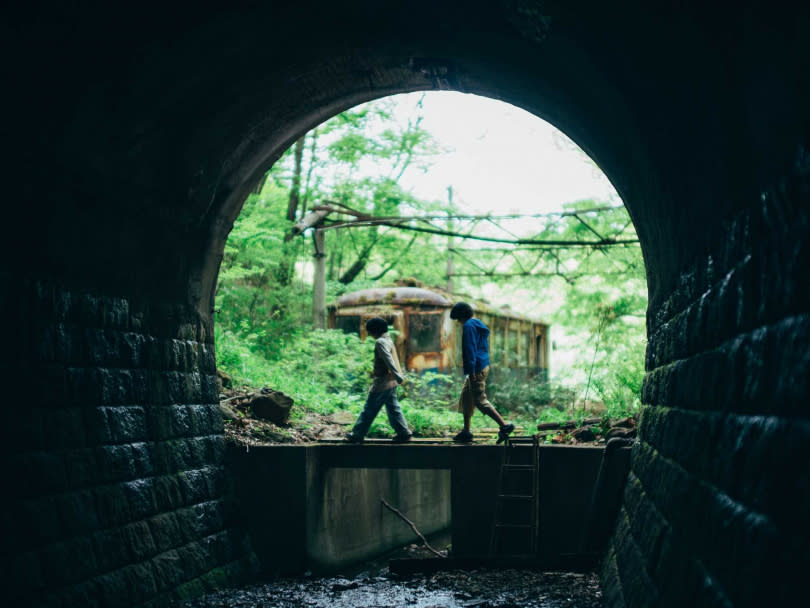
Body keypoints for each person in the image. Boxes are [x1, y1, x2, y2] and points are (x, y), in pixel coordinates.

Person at [450, 302, 515, 444]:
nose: (458, 322)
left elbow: (469, 349)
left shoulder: (468, 326)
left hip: (477, 368)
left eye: (457, 319)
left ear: (461, 316)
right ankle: (466, 431)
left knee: (479, 400)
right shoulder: (476, 323)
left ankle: (504, 426)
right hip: (481, 365)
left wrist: (471, 370)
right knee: (466, 397)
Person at [345, 317, 413, 443]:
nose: (369, 334)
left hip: (383, 382)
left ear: (375, 330)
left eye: (370, 331)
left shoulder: (380, 342)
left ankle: (357, 434)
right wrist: (397, 376)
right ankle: (403, 432)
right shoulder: (388, 340)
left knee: (369, 408)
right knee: (393, 408)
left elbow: (388, 359)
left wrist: (397, 375)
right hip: (391, 381)